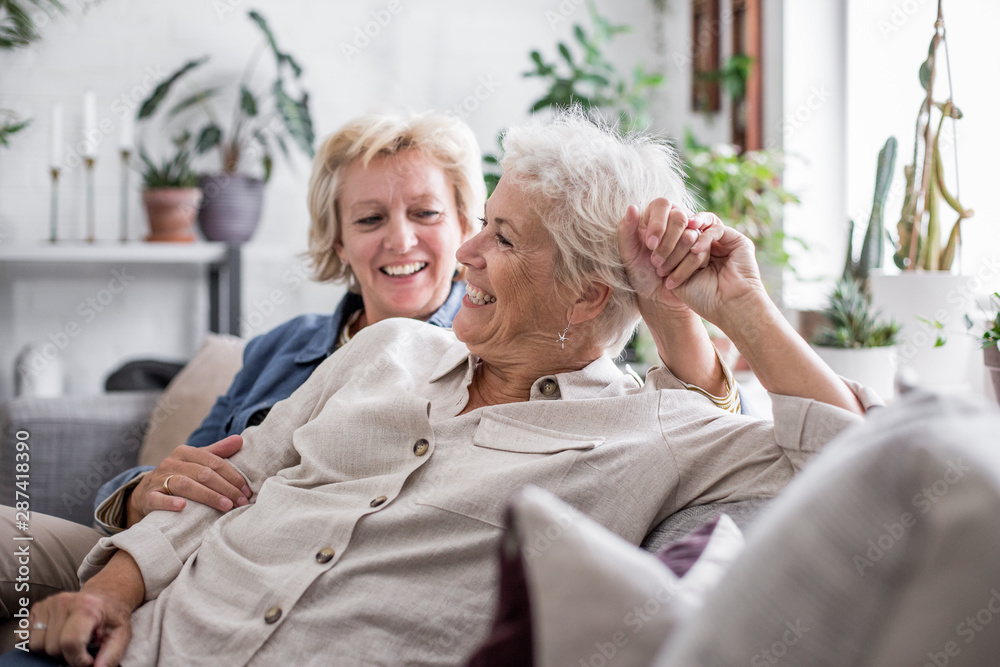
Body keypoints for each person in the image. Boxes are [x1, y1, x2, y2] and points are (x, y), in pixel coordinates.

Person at [0, 111, 735, 631]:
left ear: (462, 223)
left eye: (428, 213)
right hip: (161, 555)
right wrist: (131, 502)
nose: (402, 239)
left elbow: (678, 412)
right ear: (340, 241)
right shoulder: (298, 346)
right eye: (371, 219)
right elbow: (200, 474)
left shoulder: (512, 348)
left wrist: (675, 301)